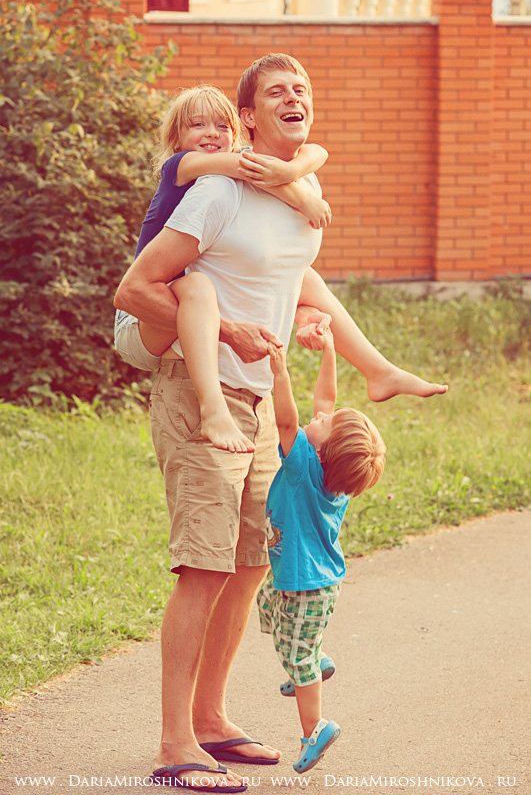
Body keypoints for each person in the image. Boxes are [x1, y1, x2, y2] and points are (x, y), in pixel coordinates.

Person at [113, 53, 446, 793]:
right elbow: (135, 289)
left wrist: (317, 339)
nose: (294, 97)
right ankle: (174, 745)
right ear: (248, 118)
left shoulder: (302, 192)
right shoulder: (217, 190)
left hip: (261, 400)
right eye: (275, 91)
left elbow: (293, 282)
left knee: (249, 563)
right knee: (204, 565)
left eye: (302, 88)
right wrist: (229, 331)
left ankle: (210, 719)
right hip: (201, 393)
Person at [115, 83, 330, 453]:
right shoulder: (180, 165)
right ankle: (213, 410)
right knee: (198, 286)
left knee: (304, 275)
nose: (211, 134)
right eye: (198, 125)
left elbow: (318, 151)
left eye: (222, 126)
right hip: (141, 320)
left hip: (179, 312)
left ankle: (376, 368)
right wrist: (303, 198)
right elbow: (248, 167)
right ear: (176, 138)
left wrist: (295, 167)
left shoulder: (224, 181)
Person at [257, 331, 385, 773]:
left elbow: (287, 422)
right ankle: (312, 660)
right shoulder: (334, 480)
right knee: (267, 606)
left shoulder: (300, 467)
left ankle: (314, 728)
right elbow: (326, 400)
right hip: (316, 583)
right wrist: (330, 348)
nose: (321, 415)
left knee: (297, 658)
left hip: (305, 586)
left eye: (326, 423)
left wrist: (281, 373)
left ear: (321, 451)